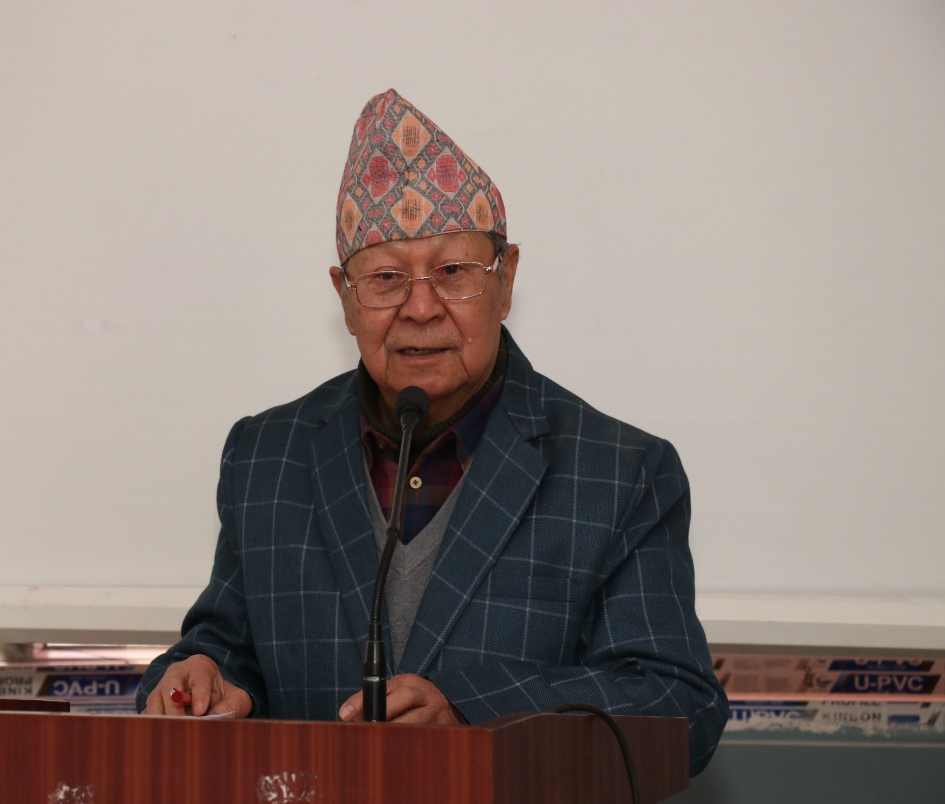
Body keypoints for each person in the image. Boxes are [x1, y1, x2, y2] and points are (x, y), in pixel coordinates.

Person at [137, 88, 728, 775]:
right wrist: (204, 677)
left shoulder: (620, 472)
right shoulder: (267, 454)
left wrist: (471, 713)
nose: (420, 308)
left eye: (452, 272)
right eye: (387, 277)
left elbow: (677, 708)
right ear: (345, 299)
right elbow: (228, 647)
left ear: (506, 280)